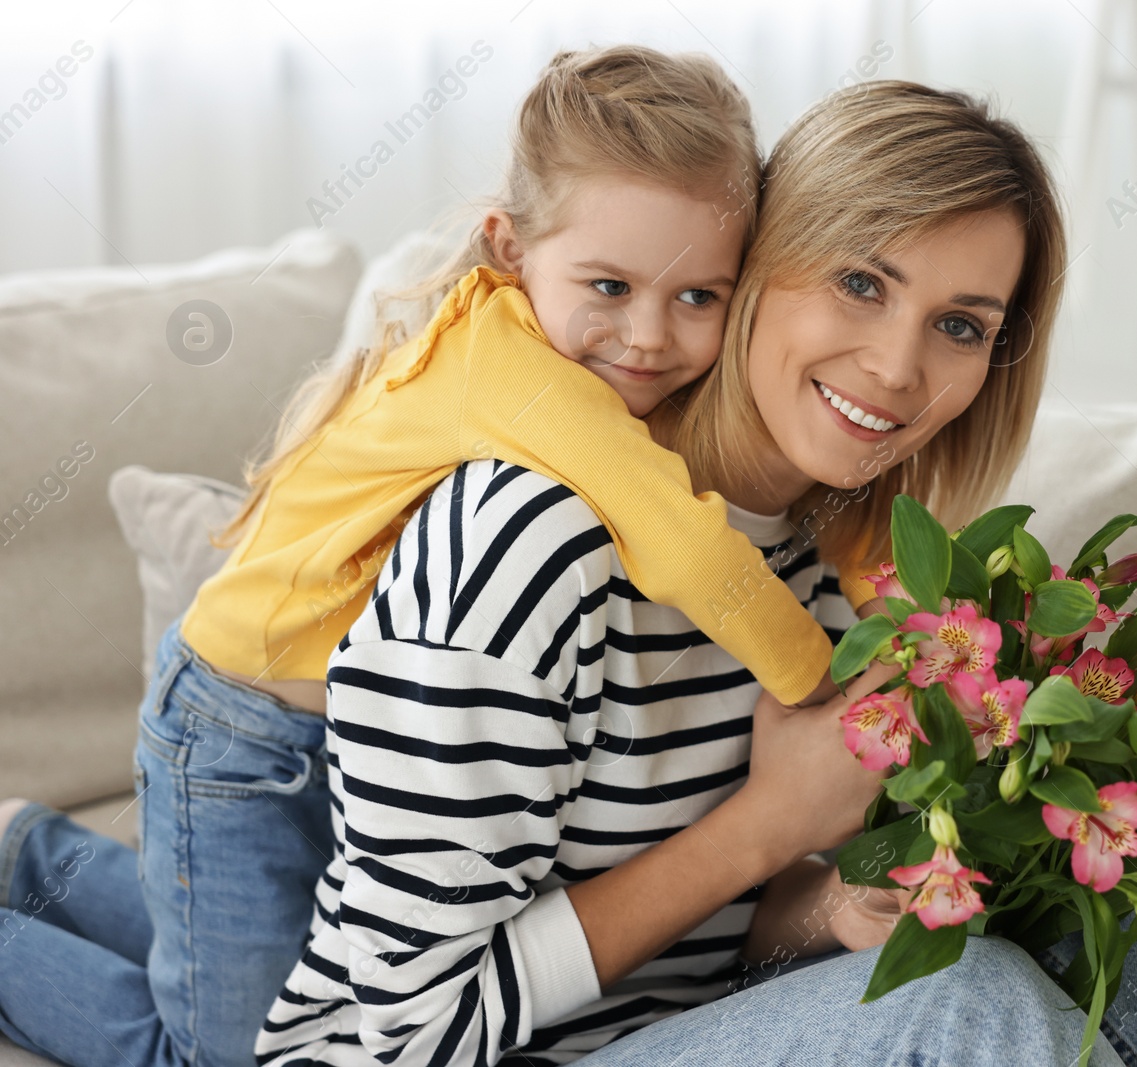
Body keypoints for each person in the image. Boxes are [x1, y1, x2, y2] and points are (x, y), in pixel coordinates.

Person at [247, 79, 1137, 1066]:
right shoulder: (522, 540)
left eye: (958, 326)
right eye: (860, 282)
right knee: (970, 1002)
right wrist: (763, 825)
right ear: (755, 263)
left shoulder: (823, 584)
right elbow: (400, 1030)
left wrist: (828, 911)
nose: (899, 368)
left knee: (1086, 925)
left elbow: (709, 956)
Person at [0, 45, 843, 1067]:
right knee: (219, 1053)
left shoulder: (537, 353)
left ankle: (26, 851)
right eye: (609, 284)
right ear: (509, 247)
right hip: (240, 730)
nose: (648, 336)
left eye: (698, 296)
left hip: (337, 739)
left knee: (272, 973)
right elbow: (675, 538)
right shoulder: (528, 382)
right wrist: (825, 686)